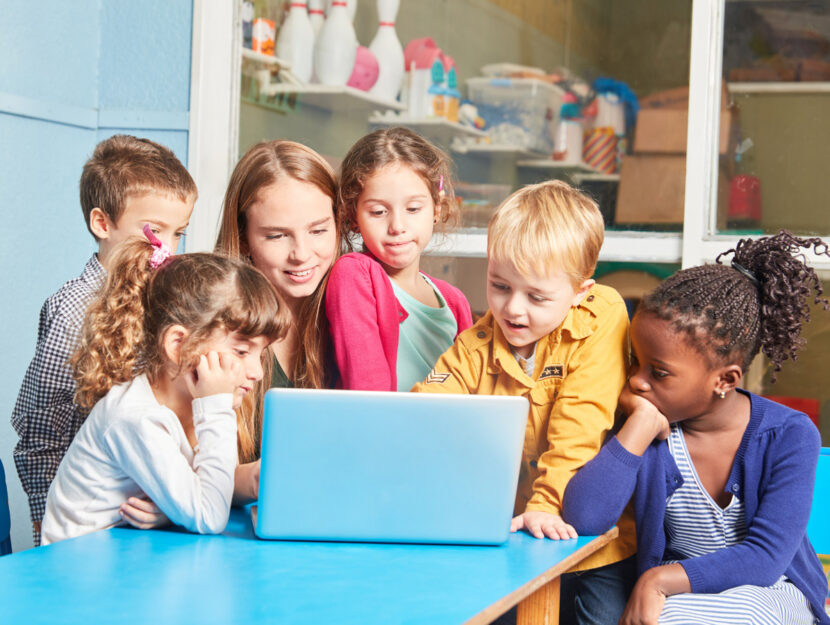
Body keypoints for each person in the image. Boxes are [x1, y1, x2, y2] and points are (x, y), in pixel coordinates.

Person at [563, 231, 830, 625]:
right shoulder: (652, 424)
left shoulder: (790, 435)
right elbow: (584, 518)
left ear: (725, 380)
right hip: (677, 596)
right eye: (636, 363)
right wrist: (635, 428)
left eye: (659, 372)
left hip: (772, 591)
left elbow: (765, 559)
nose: (637, 381)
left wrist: (658, 580)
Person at [411, 180, 637, 624]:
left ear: (580, 292)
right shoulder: (476, 344)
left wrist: (546, 503)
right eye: (499, 286)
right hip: (518, 537)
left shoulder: (602, 313)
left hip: (598, 540)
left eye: (536, 297)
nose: (513, 309)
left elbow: (580, 424)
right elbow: (424, 414)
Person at [40, 232, 285, 545]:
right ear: (178, 344)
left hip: (130, 555)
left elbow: (206, 489)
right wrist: (216, 408)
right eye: (241, 351)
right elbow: (209, 515)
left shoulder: (188, 400)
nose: (256, 372)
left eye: (259, 354)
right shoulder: (137, 419)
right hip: (79, 570)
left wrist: (250, 481)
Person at [11, 134, 196, 545]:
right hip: (86, 524)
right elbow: (41, 427)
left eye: (178, 233)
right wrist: (48, 520)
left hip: (142, 520)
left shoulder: (166, 301)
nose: (167, 248)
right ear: (102, 223)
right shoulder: (74, 308)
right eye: (154, 230)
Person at [215, 140, 348, 502]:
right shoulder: (211, 327)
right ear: (243, 238)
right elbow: (180, 472)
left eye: (319, 230)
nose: (302, 254)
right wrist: (251, 479)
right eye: (276, 235)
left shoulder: (351, 317)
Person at [326, 127, 472, 391]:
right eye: (379, 211)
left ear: (436, 208)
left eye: (413, 208)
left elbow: (471, 387)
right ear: (353, 215)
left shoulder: (454, 302)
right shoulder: (355, 275)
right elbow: (367, 388)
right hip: (384, 430)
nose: (397, 226)